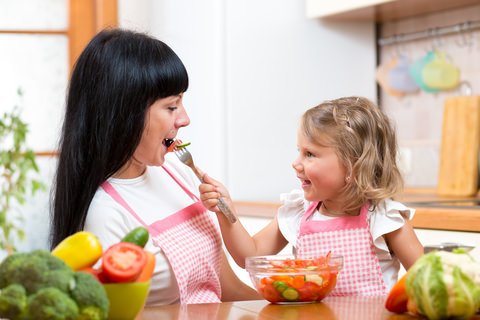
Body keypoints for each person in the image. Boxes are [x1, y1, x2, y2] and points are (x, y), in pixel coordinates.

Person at [50, 28, 259, 305]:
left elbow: (228, 288)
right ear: (125, 114)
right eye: (172, 107)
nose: (184, 119)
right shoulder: (105, 215)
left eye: (181, 102)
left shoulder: (178, 172)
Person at [199, 96, 424, 296]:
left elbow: (426, 281)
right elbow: (249, 255)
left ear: (353, 167)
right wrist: (225, 209)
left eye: (310, 154)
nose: (296, 163)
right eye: (299, 151)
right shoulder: (298, 212)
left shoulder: (385, 219)